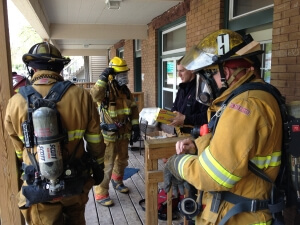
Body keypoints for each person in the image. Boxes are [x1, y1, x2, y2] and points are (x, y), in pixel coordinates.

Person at [163, 29, 283, 225]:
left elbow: (212, 175)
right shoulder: (248, 98)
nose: (207, 82)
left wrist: (177, 164)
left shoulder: (245, 106)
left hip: (238, 217)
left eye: (209, 74)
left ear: (225, 72)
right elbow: (230, 149)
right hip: (233, 210)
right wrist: (196, 146)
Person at [5, 42, 106, 225]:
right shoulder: (82, 96)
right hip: (75, 183)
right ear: (60, 68)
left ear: (32, 68)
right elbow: (95, 140)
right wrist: (98, 167)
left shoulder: (15, 102)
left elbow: (18, 150)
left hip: (38, 188)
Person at [90, 56, 140, 207]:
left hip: (124, 132)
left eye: (125, 74)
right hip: (109, 134)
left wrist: (136, 126)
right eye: (121, 74)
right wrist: (102, 78)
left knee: (122, 160)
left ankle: (117, 181)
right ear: (112, 75)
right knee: (108, 164)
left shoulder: (125, 90)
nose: (124, 77)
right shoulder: (105, 89)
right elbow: (93, 96)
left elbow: (133, 109)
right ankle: (101, 193)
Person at [169, 57, 208, 136]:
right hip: (179, 135)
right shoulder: (182, 88)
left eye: (182, 71)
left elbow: (207, 117)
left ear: (192, 70)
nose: (179, 75)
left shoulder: (202, 89)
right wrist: (170, 116)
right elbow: (175, 106)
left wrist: (185, 119)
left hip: (195, 139)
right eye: (178, 71)